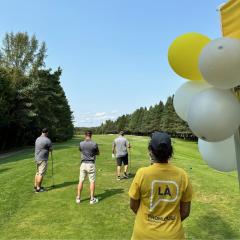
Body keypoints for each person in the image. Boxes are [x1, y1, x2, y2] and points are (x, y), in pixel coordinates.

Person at [129, 132, 192, 240]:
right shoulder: (182, 175)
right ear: (170, 152)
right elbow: (185, 212)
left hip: (144, 234)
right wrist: (169, 223)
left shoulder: (142, 173)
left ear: (150, 151)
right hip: (173, 235)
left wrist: (147, 219)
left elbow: (133, 205)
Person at [76, 130, 100, 204]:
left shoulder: (81, 143)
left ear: (85, 135)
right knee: (92, 181)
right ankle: (92, 199)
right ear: (91, 135)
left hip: (83, 164)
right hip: (91, 164)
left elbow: (80, 150)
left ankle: (78, 198)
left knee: (81, 180)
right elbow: (98, 153)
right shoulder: (94, 144)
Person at [34, 128, 52, 193]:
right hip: (43, 158)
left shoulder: (37, 139)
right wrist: (50, 149)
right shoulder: (47, 140)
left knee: (37, 172)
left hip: (37, 158)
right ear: (46, 133)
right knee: (41, 173)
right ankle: (38, 189)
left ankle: (35, 186)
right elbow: (50, 149)